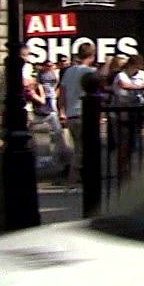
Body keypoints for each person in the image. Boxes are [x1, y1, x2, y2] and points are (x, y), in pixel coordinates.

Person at [58, 44, 97, 187]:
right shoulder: (90, 72)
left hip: (70, 115)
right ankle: (73, 182)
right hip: (84, 114)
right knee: (83, 150)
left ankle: (76, 180)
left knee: (78, 148)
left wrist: (61, 112)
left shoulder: (68, 72)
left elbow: (62, 94)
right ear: (92, 56)